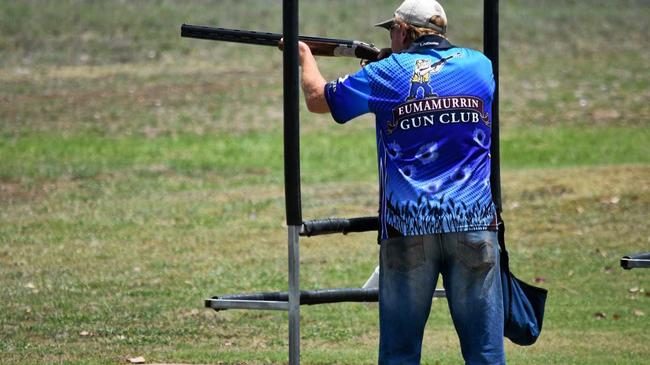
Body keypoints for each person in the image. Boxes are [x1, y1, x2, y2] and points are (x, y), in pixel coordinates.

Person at [298, 0, 504, 364]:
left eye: (392, 30)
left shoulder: (387, 73)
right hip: (474, 223)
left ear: (404, 31)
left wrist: (303, 57)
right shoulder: (481, 66)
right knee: (485, 352)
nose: (390, 37)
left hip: (408, 226)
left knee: (400, 354)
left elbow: (318, 100)